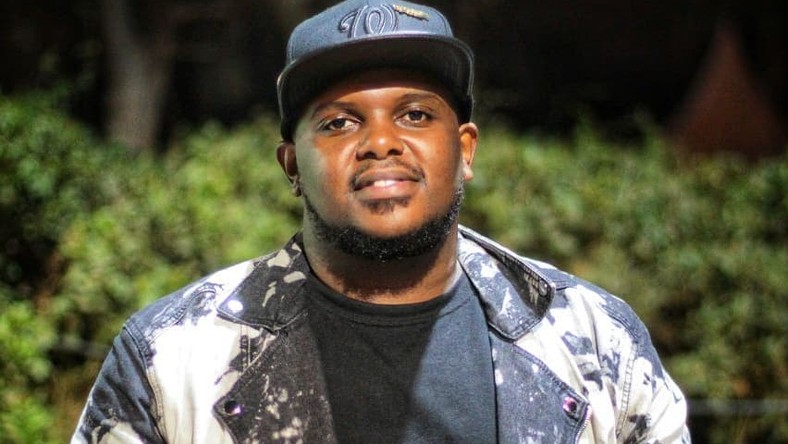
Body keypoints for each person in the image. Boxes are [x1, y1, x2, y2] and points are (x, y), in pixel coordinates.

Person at [72, 0, 690, 442]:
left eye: (416, 115)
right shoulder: (170, 356)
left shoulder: (595, 340)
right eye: (339, 122)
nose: (381, 142)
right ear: (292, 164)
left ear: (465, 150)